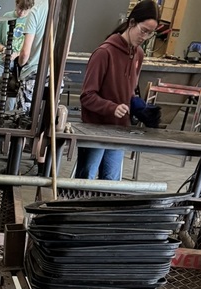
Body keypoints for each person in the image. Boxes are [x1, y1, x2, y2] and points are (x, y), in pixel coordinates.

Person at [75, 0, 160, 181]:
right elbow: (87, 96)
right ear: (131, 23)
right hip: (95, 129)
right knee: (85, 182)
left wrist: (139, 107)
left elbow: (128, 92)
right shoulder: (104, 53)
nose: (145, 37)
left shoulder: (138, 54)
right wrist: (111, 107)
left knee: (111, 183)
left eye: (150, 34)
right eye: (143, 30)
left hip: (120, 130)